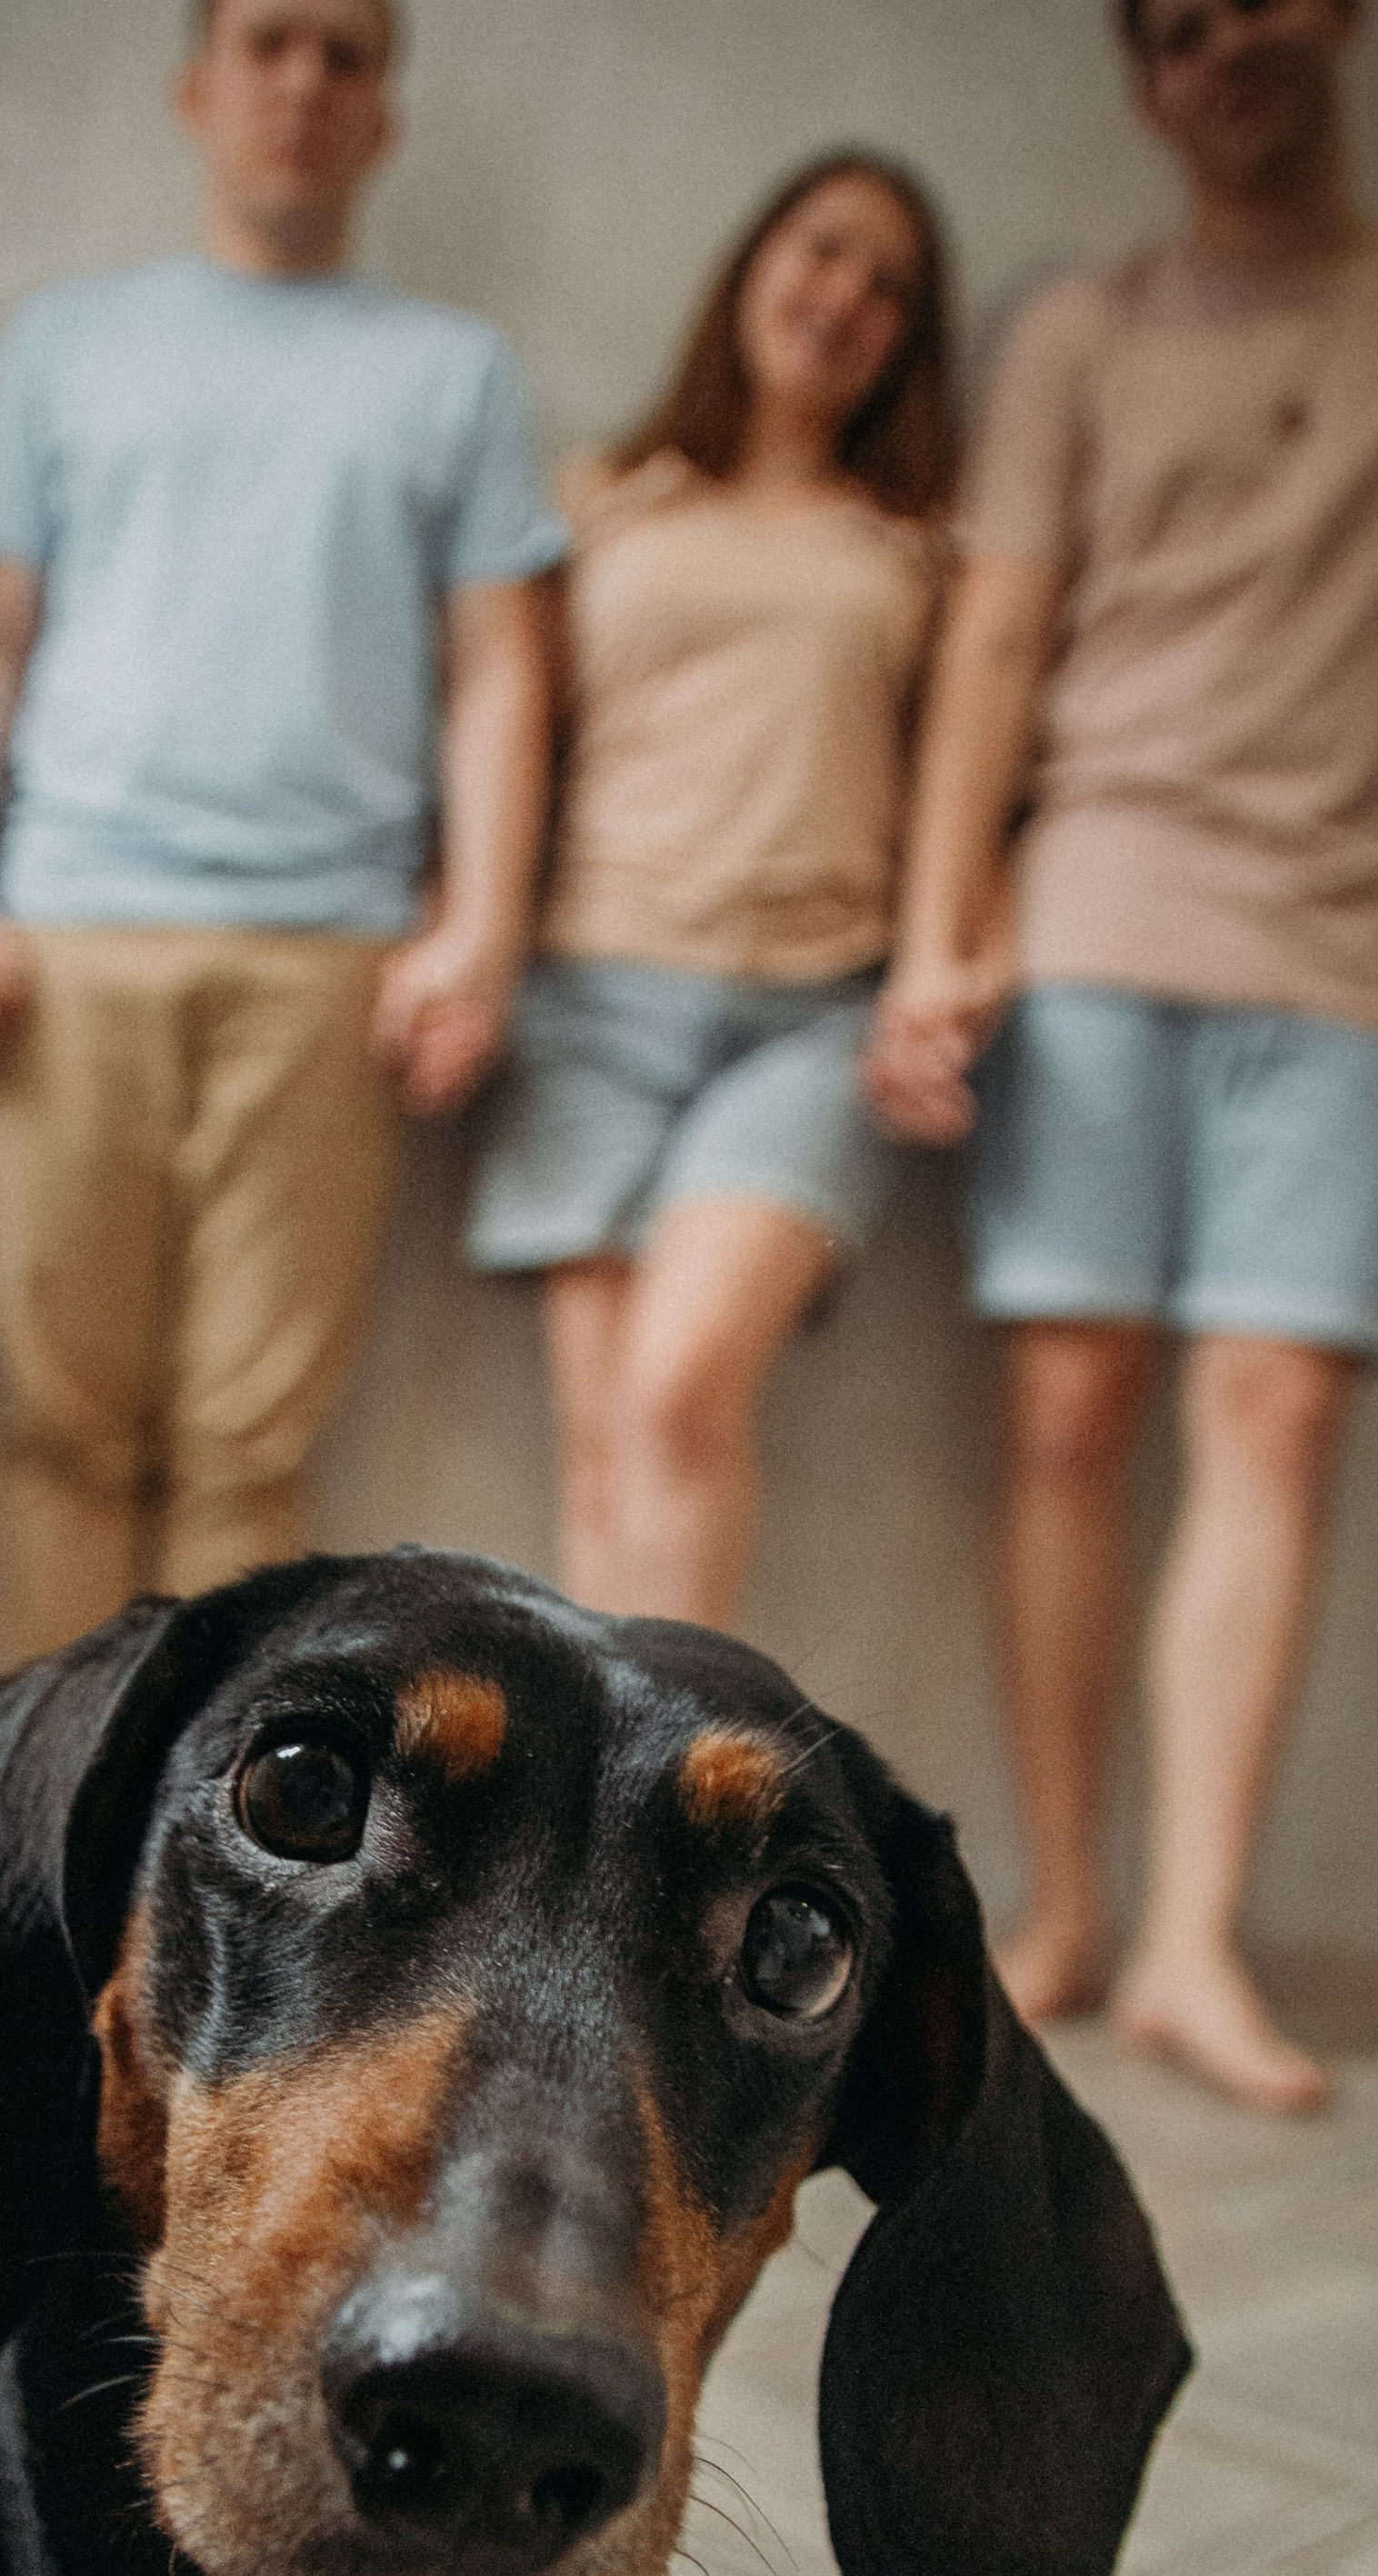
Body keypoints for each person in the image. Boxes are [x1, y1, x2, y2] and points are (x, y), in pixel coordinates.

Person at [871, 0, 1378, 2112]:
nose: (1226, 48)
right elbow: (993, 642)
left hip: (1356, 956)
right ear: (1142, 81)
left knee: (1273, 1419)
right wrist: (944, 927)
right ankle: (1070, 1907)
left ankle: (1199, 1932)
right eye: (1175, 29)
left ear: (1340, 22)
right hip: (1094, 916)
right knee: (1065, 1413)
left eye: (1254, 6)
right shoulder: (1075, 335)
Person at [0, 0, 562, 1658]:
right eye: (272, 43)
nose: (306, 83)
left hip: (330, 959)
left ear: (383, 117)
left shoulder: (452, 373)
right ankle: (47, 1869)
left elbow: (498, 667)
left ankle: (196, 1886)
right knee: (63, 1428)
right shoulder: (65, 344)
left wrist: (477, 932)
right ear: (199, 88)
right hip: (68, 940)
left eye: (348, 56)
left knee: (249, 1453)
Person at [467, 151, 956, 1627]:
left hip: (812, 1020)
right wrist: (459, 949)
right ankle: (594, 1839)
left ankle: (678, 1827)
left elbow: (968, 800)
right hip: (591, 999)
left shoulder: (920, 546)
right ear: (752, 263)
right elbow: (504, 743)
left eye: (890, 287)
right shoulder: (601, 501)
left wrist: (955, 971)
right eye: (823, 251)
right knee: (607, 1452)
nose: (846, 298)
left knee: (681, 1393)